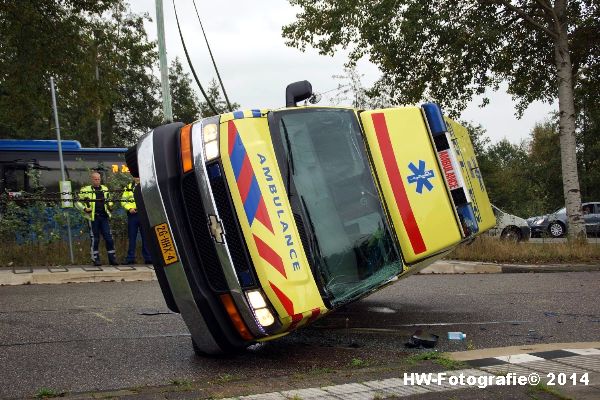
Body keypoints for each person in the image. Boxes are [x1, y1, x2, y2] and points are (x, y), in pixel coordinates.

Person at [76, 171, 118, 266]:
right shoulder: (86, 189)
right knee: (95, 239)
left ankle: (112, 259)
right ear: (92, 179)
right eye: (95, 179)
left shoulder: (104, 189)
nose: (97, 181)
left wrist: (111, 206)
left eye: (98, 179)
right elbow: (77, 202)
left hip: (104, 217)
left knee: (109, 238)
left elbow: (109, 200)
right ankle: (95, 259)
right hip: (93, 217)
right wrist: (85, 209)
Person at [122, 177, 152, 265]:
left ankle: (148, 258)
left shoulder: (146, 186)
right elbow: (123, 201)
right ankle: (130, 258)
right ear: (133, 177)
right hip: (132, 215)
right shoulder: (128, 187)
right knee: (132, 237)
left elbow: (150, 199)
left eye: (138, 176)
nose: (137, 178)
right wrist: (129, 208)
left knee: (146, 237)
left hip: (143, 214)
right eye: (135, 176)